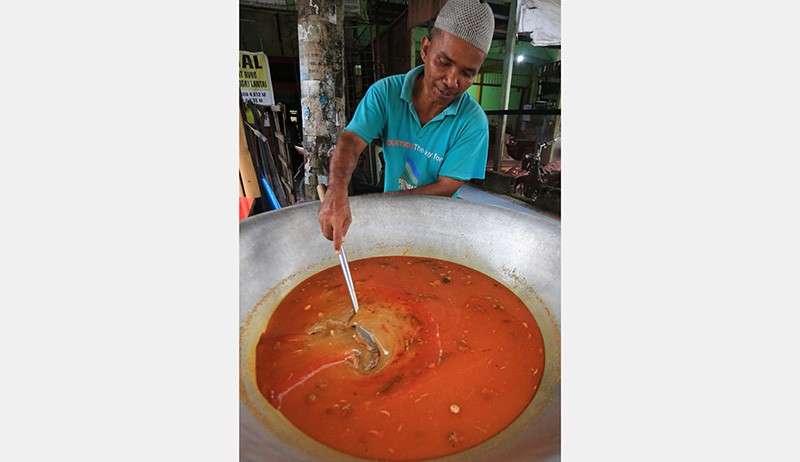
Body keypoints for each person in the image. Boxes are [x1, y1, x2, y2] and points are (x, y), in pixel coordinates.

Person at [318, 0, 496, 252]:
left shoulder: (473, 122)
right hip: (391, 219)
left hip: (439, 228)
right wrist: (337, 191)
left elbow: (446, 187)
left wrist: (382, 203)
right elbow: (351, 141)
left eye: (467, 73)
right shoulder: (385, 93)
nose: (451, 81)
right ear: (425, 49)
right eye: (444, 62)